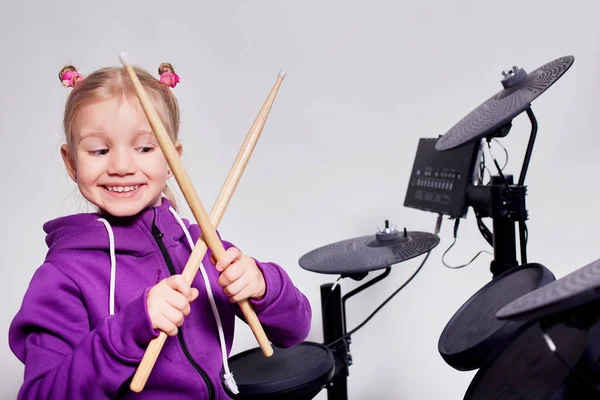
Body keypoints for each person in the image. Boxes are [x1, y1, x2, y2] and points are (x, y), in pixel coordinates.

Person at [9, 62, 312, 399]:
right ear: (71, 162)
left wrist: (264, 285)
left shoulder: (201, 243)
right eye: (99, 150)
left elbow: (294, 331)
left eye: (145, 148)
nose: (122, 167)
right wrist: (130, 329)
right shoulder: (64, 275)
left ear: (172, 161)